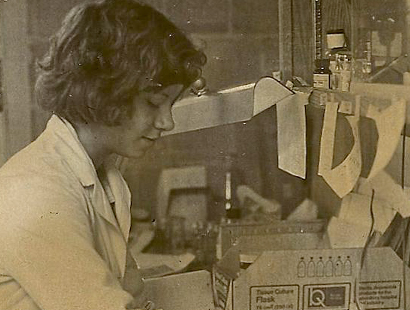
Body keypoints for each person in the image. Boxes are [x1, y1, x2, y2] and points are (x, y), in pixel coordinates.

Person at [0, 0, 206, 309]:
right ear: (104, 92)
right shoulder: (34, 191)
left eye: (171, 105)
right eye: (154, 103)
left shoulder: (99, 170)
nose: (168, 122)